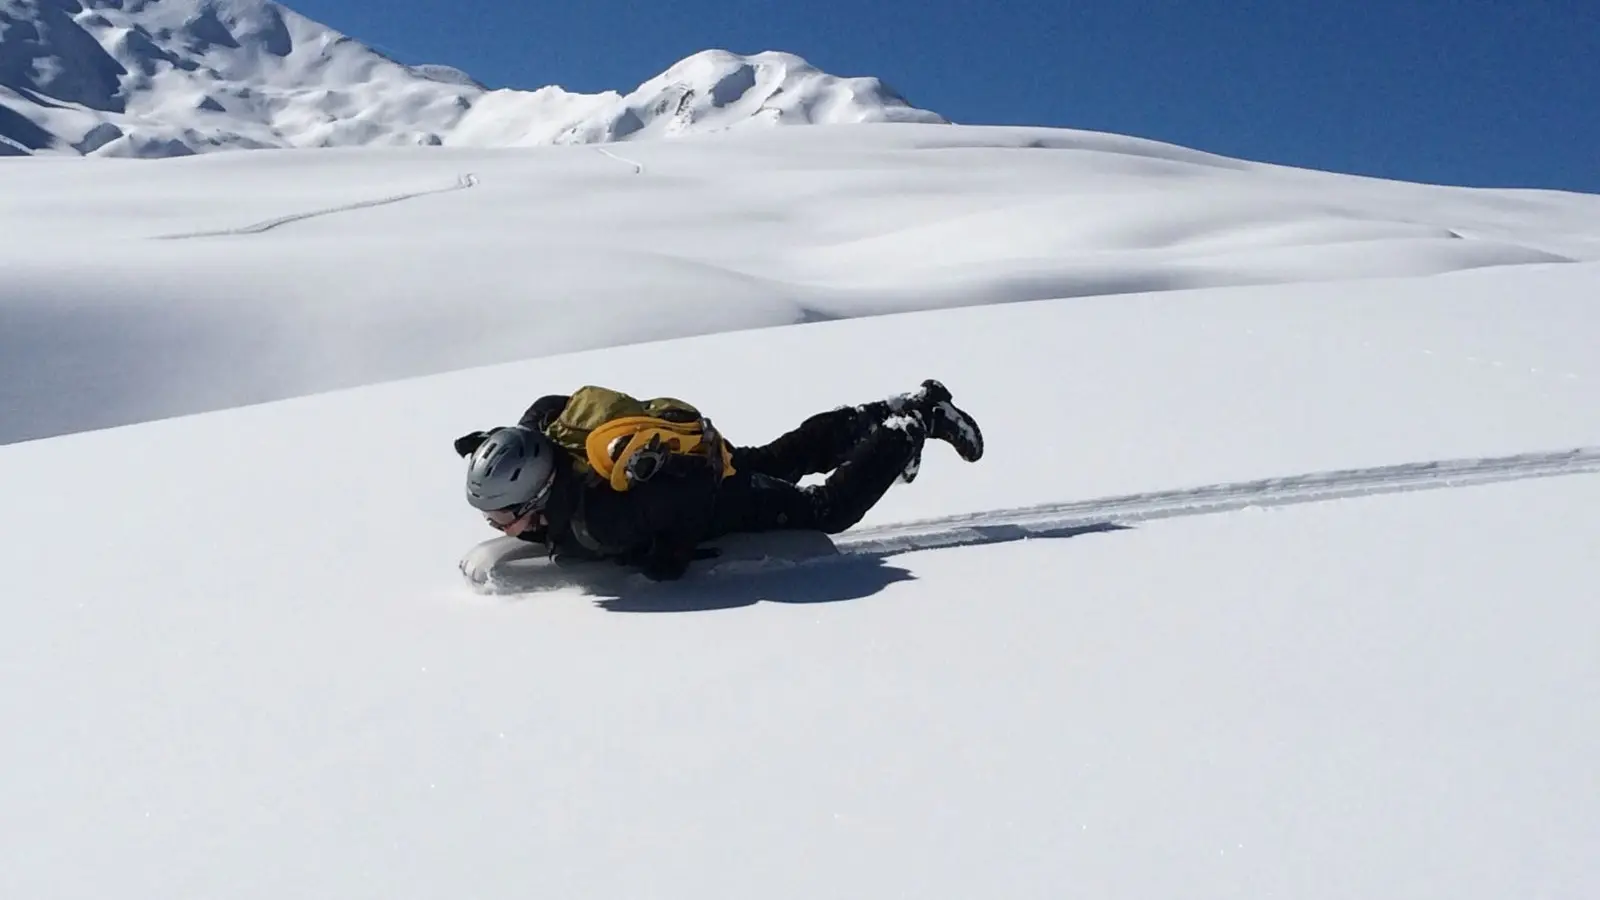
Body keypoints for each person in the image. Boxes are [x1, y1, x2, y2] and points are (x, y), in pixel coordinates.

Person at [454, 380, 983, 581]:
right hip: (694, 456)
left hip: (712, 495)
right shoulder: (547, 437)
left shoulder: (601, 525)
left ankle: (913, 423)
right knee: (783, 455)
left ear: (539, 494)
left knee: (828, 509)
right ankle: (886, 412)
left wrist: (672, 555)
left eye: (502, 515)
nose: (498, 527)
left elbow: (684, 499)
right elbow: (548, 405)